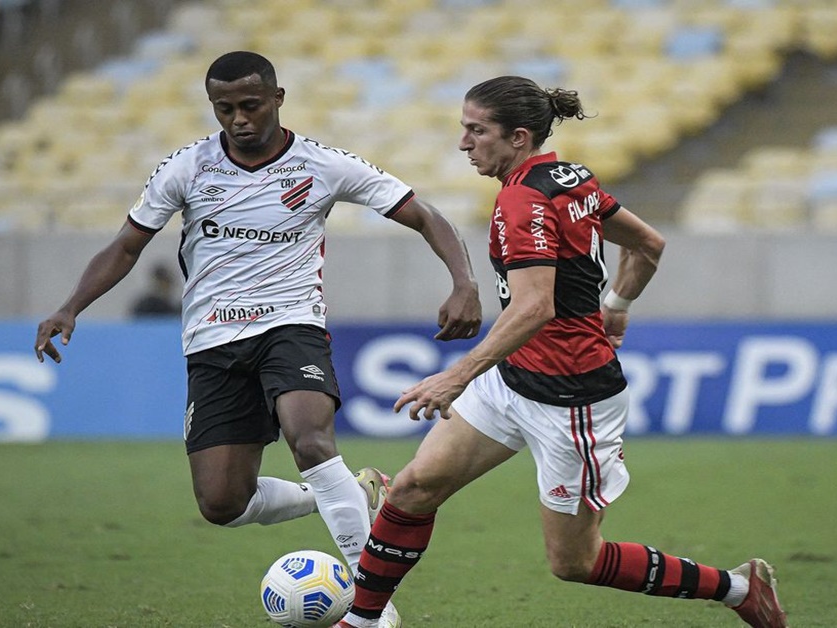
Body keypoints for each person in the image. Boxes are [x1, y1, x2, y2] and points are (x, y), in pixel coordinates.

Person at [336, 76, 788, 628]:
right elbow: (648, 244)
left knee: (575, 561)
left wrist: (456, 376)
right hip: (513, 377)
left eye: (477, 131)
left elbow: (534, 307)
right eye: (464, 129)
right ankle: (361, 621)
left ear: (518, 137)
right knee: (412, 489)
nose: (463, 143)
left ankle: (739, 589)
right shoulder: (570, 178)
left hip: (571, 399)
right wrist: (617, 305)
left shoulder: (522, 199)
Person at [33, 51, 482, 601]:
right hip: (212, 341)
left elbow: (424, 215)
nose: (239, 119)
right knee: (222, 503)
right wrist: (70, 305)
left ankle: (371, 607)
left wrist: (464, 282)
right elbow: (127, 246)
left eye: (250, 105)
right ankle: (347, 492)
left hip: (291, 326)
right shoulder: (187, 167)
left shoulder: (322, 165)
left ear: (277, 98)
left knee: (311, 441)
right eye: (224, 109)